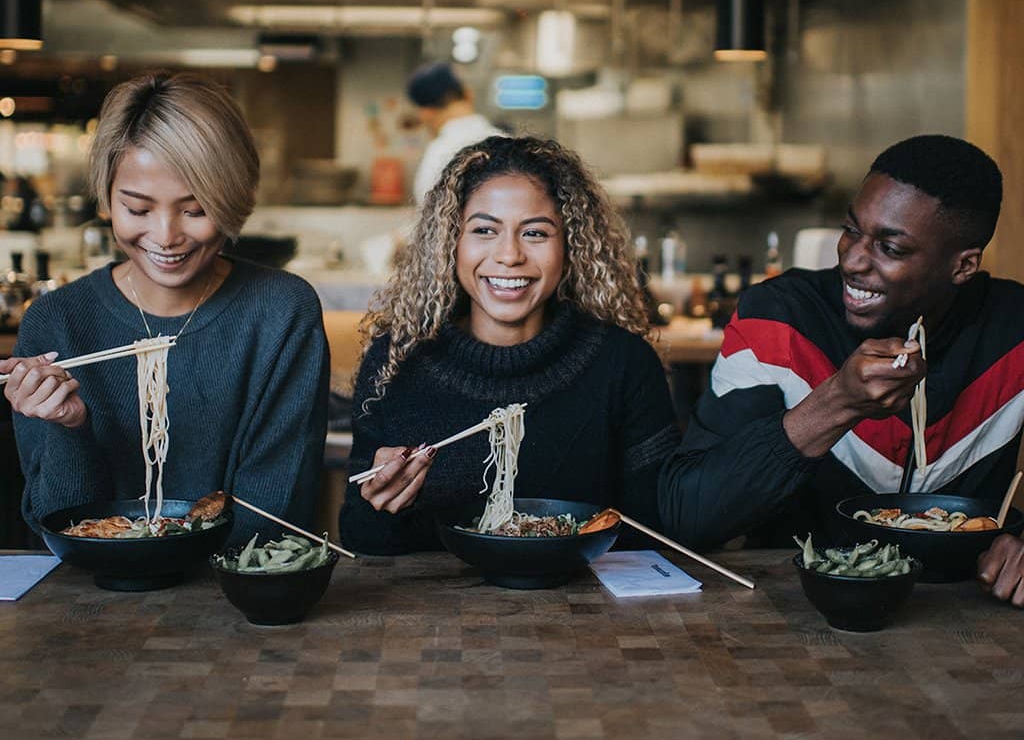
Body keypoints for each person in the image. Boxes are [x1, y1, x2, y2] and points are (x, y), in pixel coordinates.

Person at [658, 134, 1024, 607]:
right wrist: (836, 403)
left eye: (890, 248)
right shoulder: (780, 318)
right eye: (852, 230)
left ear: (963, 266)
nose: (852, 260)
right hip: (794, 611)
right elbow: (685, 515)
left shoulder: (1013, 332)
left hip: (965, 616)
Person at [4, 72, 330, 546]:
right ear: (108, 198)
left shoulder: (280, 312)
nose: (165, 236)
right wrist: (67, 427)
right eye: (137, 209)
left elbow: (275, 514)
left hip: (235, 595)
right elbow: (57, 525)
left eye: (195, 210)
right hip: (90, 596)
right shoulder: (57, 322)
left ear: (231, 198)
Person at [339, 135, 680, 554]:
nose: (509, 255)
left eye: (535, 233)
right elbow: (359, 540)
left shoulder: (623, 364)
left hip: (588, 609)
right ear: (452, 243)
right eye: (484, 230)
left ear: (569, 246)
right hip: (436, 613)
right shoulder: (396, 360)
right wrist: (382, 505)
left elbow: (660, 531)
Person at [407, 62, 503, 203]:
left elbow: (431, 219)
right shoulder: (507, 143)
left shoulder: (437, 156)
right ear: (469, 94)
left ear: (425, 113)